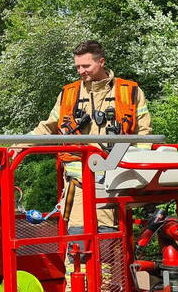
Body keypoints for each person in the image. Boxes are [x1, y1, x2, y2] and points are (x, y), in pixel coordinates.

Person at [31, 40, 151, 228]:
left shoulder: (130, 91)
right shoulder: (69, 94)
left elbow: (143, 133)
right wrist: (17, 147)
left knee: (107, 234)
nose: (81, 71)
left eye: (86, 66)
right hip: (78, 182)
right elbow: (47, 127)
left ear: (101, 62)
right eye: (77, 67)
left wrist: (138, 172)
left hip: (114, 181)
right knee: (78, 234)